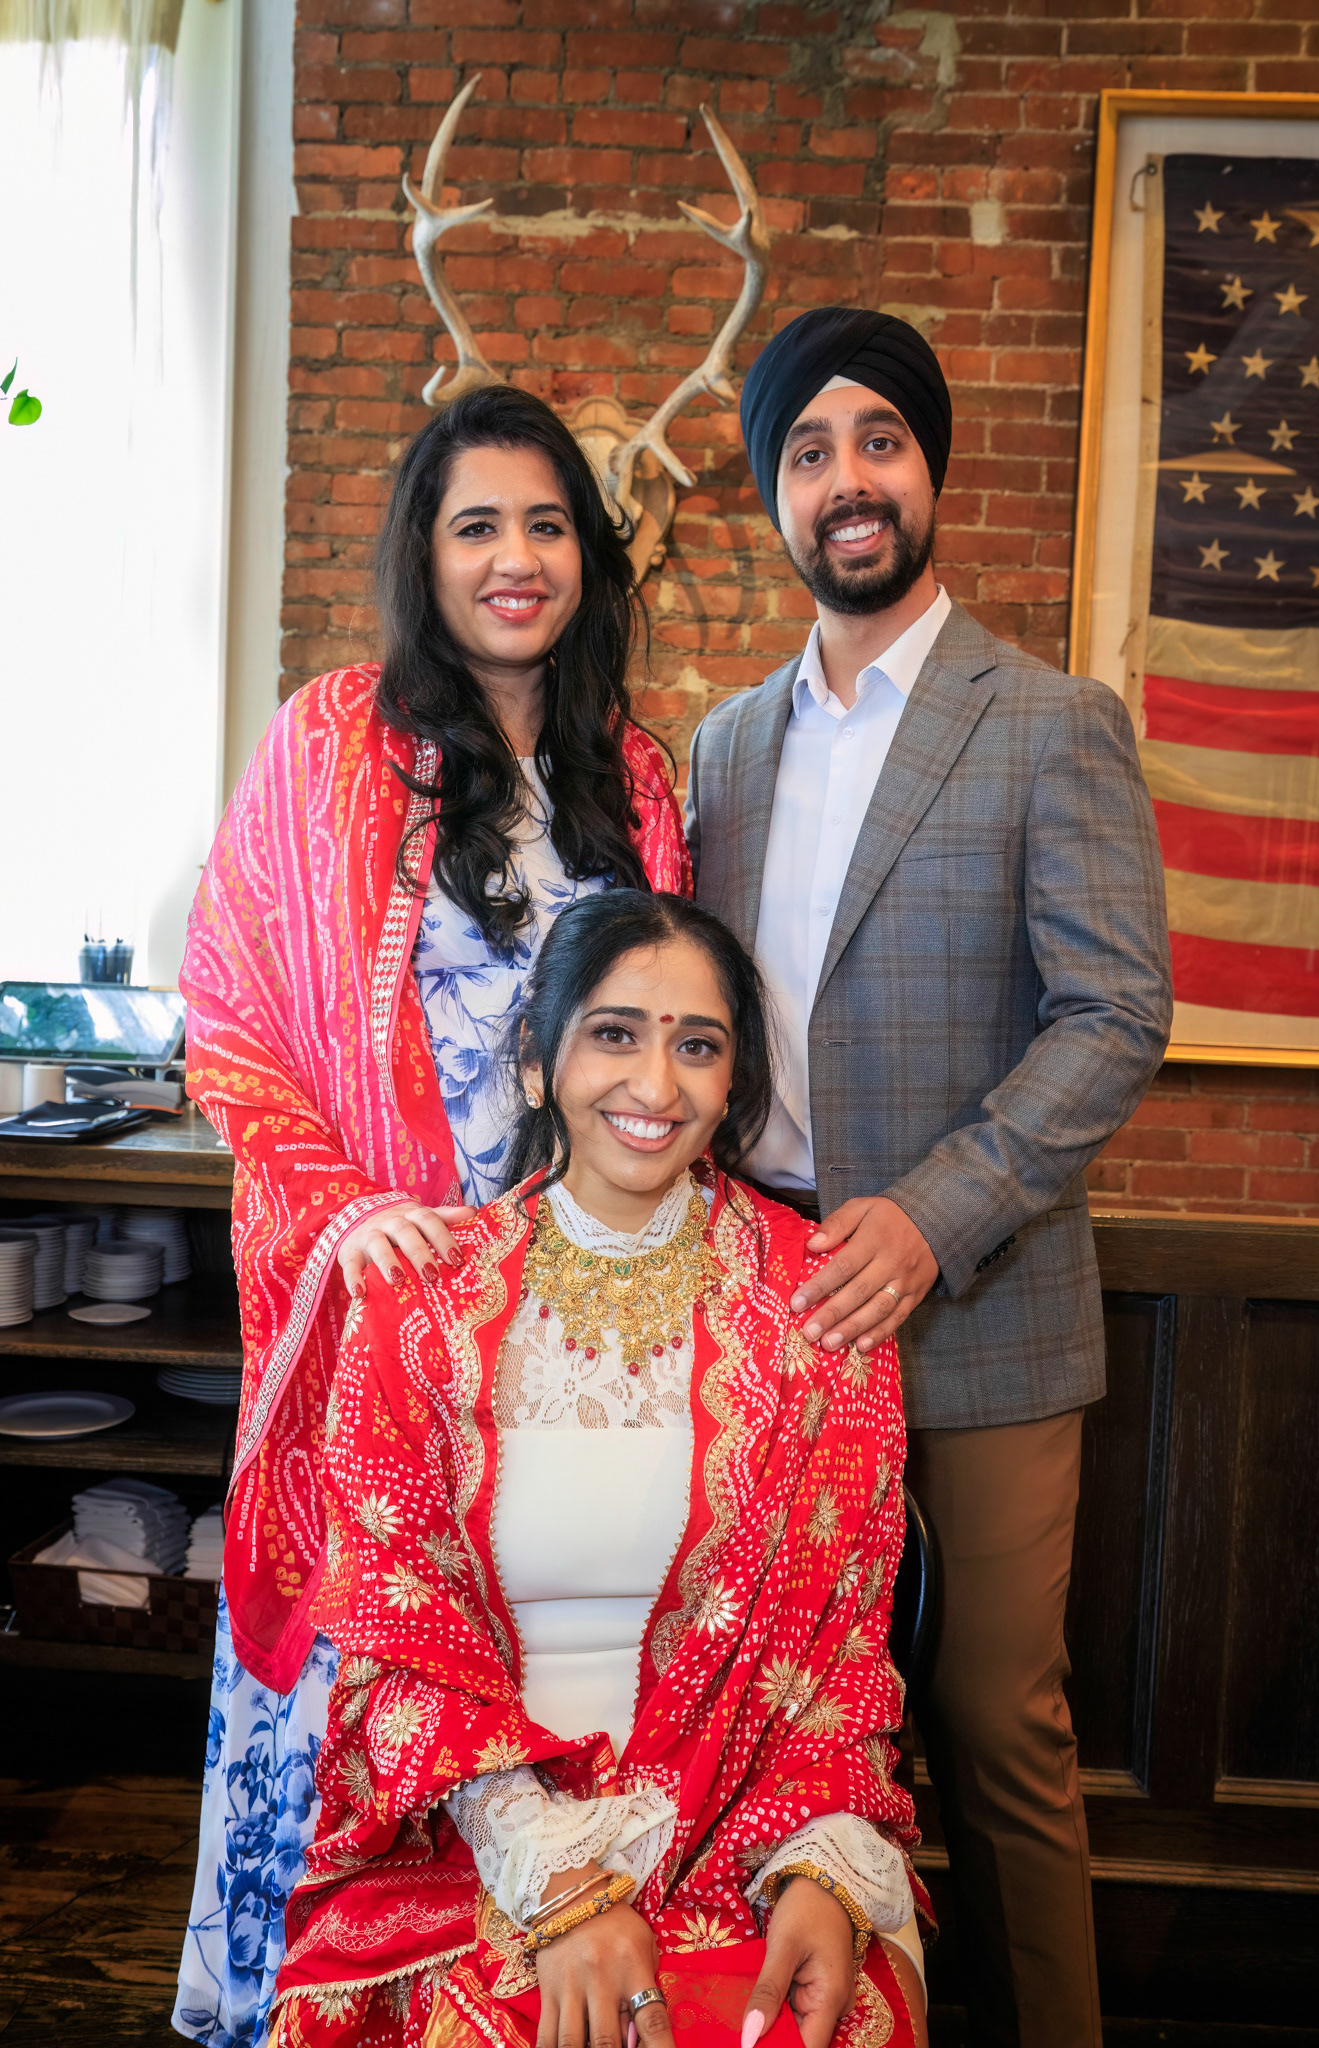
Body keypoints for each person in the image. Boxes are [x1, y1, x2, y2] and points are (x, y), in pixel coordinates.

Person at [174, 385, 691, 2047]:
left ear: (588, 556)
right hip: (386, 1311)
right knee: (368, 1665)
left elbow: (672, 1039)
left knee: (543, 1663)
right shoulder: (330, 738)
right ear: (426, 553)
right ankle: (306, 2000)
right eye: (477, 526)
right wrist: (341, 1214)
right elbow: (229, 1010)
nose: (513, 557)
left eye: (545, 523)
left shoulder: (636, 774)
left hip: (571, 1325)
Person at [685, 307, 1173, 2048]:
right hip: (766, 1312)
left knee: (990, 1724)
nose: (847, 479)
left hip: (981, 1309)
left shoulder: (1047, 722)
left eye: (877, 440)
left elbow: (1115, 1013)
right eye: (807, 451)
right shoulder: (723, 748)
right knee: (781, 1716)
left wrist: (934, 1212)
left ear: (929, 469)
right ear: (774, 496)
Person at [265, 889, 931, 2048]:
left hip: (747, 1832)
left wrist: (819, 1867)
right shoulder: (418, 1307)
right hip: (475, 1833)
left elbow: (838, 1658)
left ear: (733, 1080)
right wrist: (563, 1881)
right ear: (536, 1062)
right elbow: (392, 1650)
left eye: (698, 1045)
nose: (656, 1085)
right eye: (614, 1033)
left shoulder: (817, 1307)